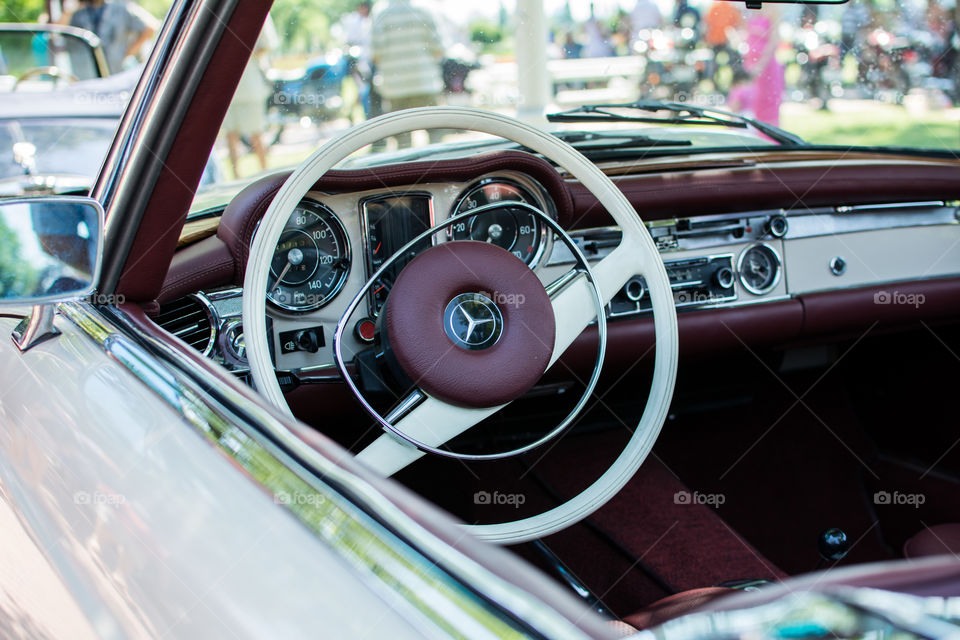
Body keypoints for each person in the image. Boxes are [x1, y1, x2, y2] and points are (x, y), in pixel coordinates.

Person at [370, 0, 445, 149]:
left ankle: (406, 171)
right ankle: (438, 169)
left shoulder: (381, 12)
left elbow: (375, 53)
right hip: (425, 82)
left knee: (402, 139)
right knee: (435, 133)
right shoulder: (425, 9)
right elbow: (438, 48)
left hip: (395, 86)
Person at [222, 17, 277, 178]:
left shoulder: (257, 13)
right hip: (228, 85)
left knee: (257, 132)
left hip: (250, 83)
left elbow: (268, 44)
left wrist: (241, 50)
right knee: (230, 134)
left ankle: (265, 172)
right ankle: (235, 176)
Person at [68, 0, 157, 74]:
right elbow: (57, 33)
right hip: (92, 74)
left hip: (118, 72)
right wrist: (70, 10)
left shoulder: (122, 7)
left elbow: (150, 28)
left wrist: (128, 53)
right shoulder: (79, 13)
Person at [742, 6, 784, 128]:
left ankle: (768, 137)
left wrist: (760, 66)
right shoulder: (750, 7)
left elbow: (774, 41)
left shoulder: (774, 9)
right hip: (750, 63)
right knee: (751, 102)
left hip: (766, 67)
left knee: (767, 103)